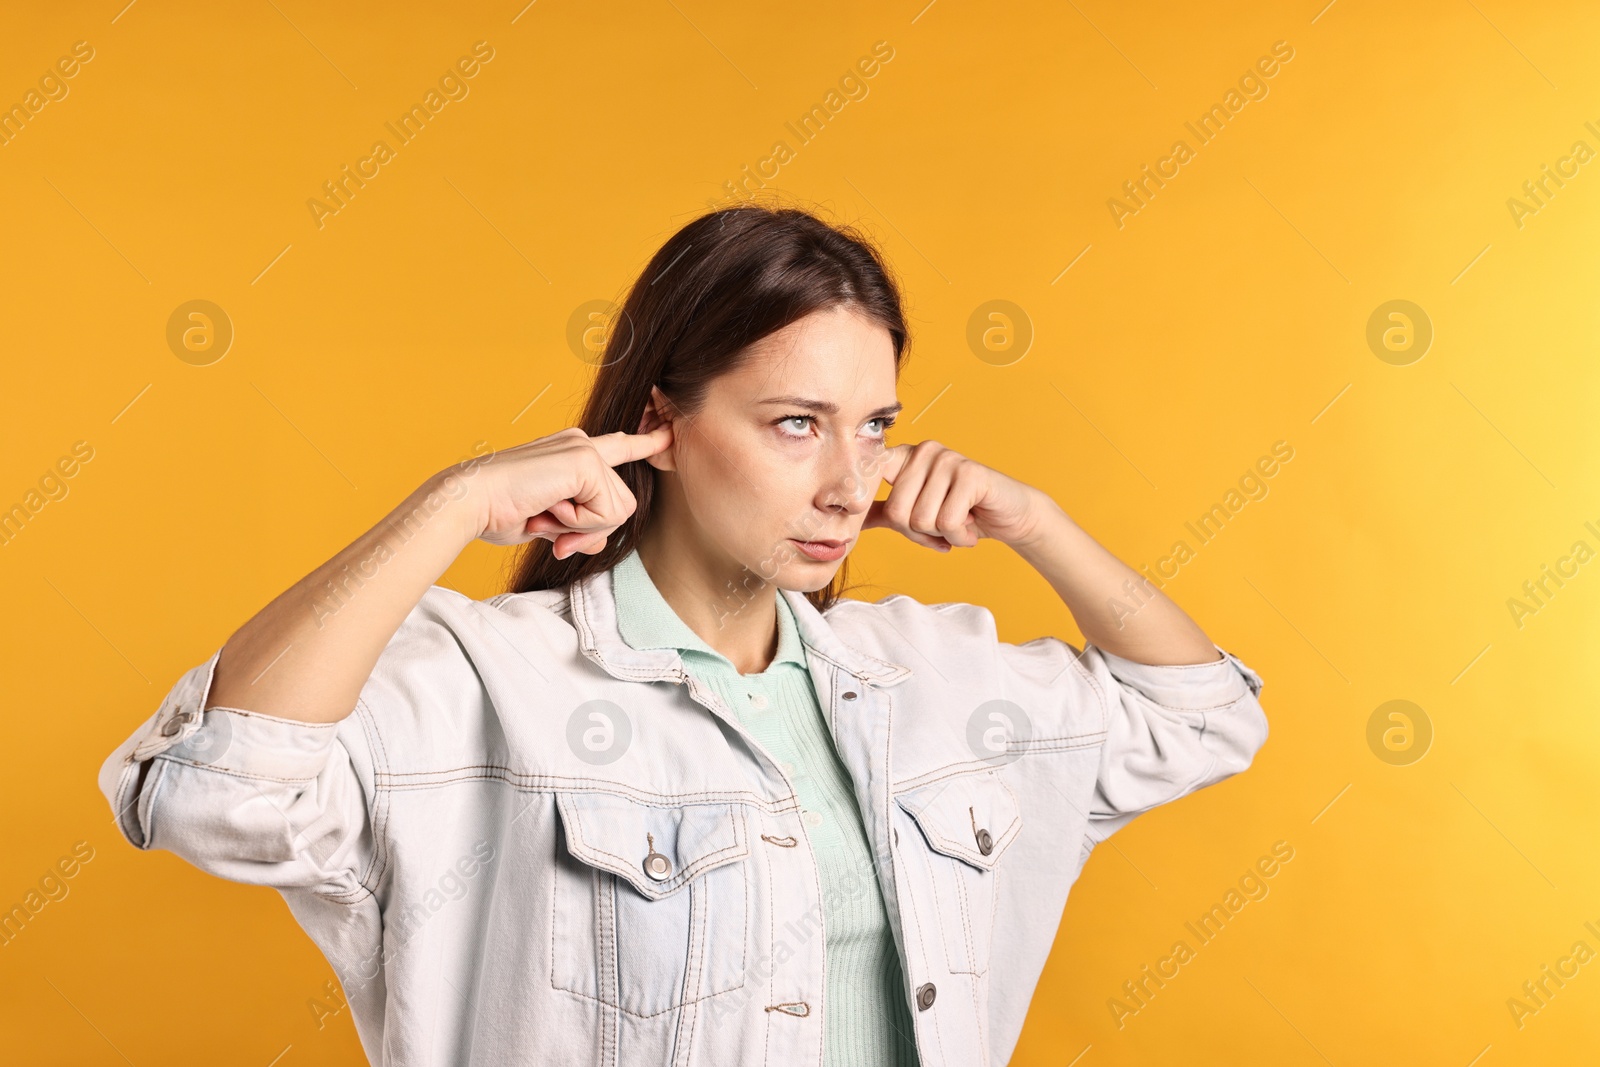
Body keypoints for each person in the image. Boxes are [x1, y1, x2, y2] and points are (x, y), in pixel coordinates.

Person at [98, 203, 1269, 1066]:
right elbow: (211, 787)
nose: (846, 483)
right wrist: (448, 503)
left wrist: (1040, 525)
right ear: (661, 418)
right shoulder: (489, 684)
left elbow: (1204, 717)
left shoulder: (933, 678)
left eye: (874, 428)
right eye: (795, 424)